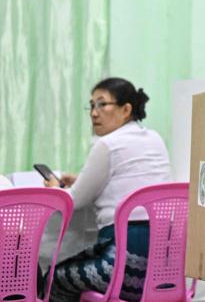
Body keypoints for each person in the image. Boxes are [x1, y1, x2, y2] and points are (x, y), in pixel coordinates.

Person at [44, 77, 171, 302]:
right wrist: (79, 180)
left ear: (126, 109)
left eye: (102, 104)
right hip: (165, 267)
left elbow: (74, 201)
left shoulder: (108, 144)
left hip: (124, 268)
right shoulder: (154, 138)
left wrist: (56, 188)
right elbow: (129, 179)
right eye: (92, 105)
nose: (94, 113)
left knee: (54, 278)